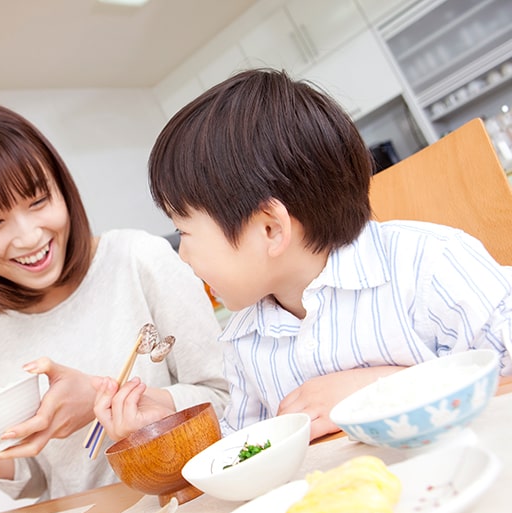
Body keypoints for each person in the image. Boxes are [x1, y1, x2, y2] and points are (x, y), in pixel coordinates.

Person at [93, 68, 512, 443]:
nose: (183, 256)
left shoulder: (429, 264)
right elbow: (249, 448)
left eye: (185, 232)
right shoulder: (245, 339)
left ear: (270, 228)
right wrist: (163, 428)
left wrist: (385, 389)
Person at [0, 102, 228, 501]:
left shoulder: (139, 258)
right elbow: (30, 478)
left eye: (38, 201)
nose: (29, 237)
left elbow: (228, 398)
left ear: (62, 187)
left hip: (193, 503)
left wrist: (98, 398)